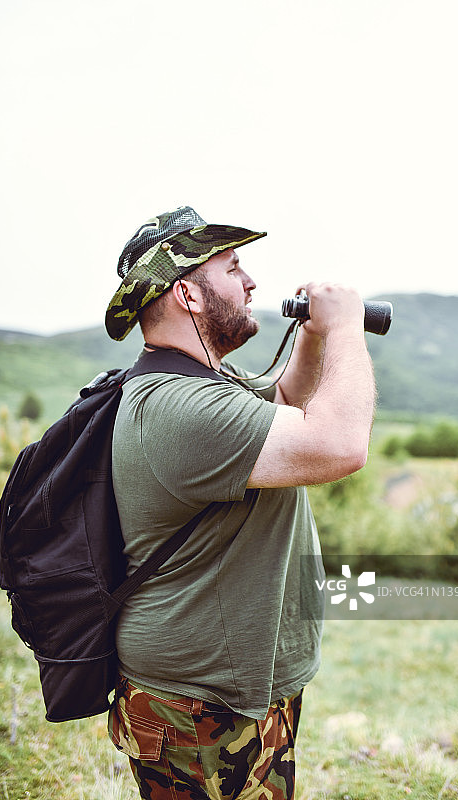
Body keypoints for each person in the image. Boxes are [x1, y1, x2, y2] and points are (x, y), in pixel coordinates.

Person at [104, 206, 375, 799]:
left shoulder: (207, 387)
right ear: (188, 295)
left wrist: (313, 334)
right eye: (232, 268)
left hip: (234, 687)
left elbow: (281, 398)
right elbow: (340, 446)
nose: (251, 282)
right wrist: (348, 329)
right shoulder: (179, 409)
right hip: (198, 702)